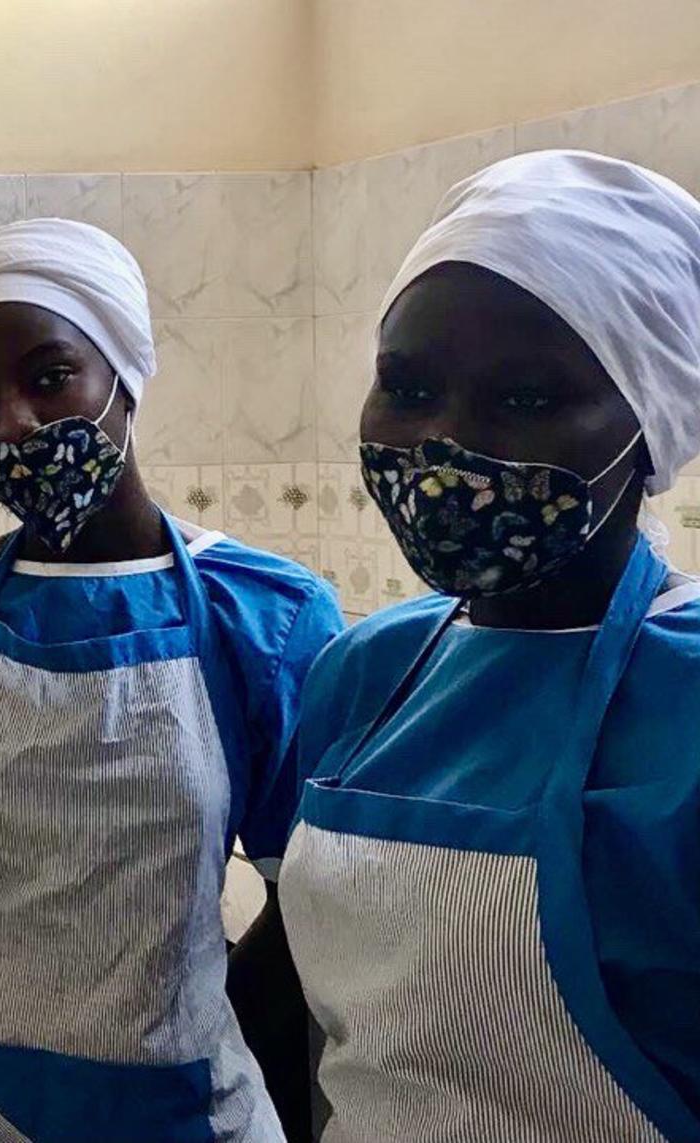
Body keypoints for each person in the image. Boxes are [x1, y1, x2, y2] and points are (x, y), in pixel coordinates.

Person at [0, 219, 344, 1142]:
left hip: (183, 1101)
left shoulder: (269, 615)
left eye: (50, 379)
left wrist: (182, 1024)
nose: (15, 423)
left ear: (123, 369)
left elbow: (305, 897)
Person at [279, 150, 700, 1141]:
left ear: (648, 429)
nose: (441, 445)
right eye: (407, 386)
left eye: (522, 398)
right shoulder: (363, 672)